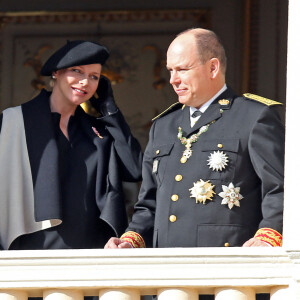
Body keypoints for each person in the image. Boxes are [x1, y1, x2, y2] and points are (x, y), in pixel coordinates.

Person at [105, 28, 284, 250]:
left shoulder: (253, 117)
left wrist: (268, 236)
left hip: (228, 266)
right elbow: (149, 204)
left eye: (182, 69)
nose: (173, 79)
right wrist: (131, 240)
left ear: (213, 68)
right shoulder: (162, 126)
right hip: (167, 266)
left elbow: (280, 187)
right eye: (170, 70)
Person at [0, 40, 142, 251]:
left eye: (94, 77)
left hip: (92, 249)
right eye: (77, 71)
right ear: (56, 73)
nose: (85, 82)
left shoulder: (97, 131)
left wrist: (109, 109)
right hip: (31, 247)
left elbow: (134, 168)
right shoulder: (14, 121)